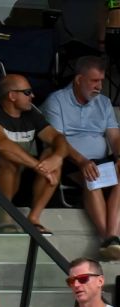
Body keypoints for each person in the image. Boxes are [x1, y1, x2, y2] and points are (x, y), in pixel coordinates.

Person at [41, 57, 120, 260]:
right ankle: (110, 237)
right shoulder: (56, 101)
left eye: (101, 80)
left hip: (101, 161)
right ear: (78, 79)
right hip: (70, 160)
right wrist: (83, 160)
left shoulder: (104, 103)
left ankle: (111, 239)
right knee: (93, 175)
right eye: (94, 81)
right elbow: (57, 141)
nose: (99, 86)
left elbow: (114, 136)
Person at [0, 74, 70, 235]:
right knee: (9, 159)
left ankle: (33, 219)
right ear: (12, 96)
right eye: (27, 92)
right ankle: (5, 220)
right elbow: (4, 146)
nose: (32, 96)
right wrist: (38, 167)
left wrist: (57, 158)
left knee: (50, 153)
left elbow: (57, 138)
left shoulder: (31, 115)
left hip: (20, 177)